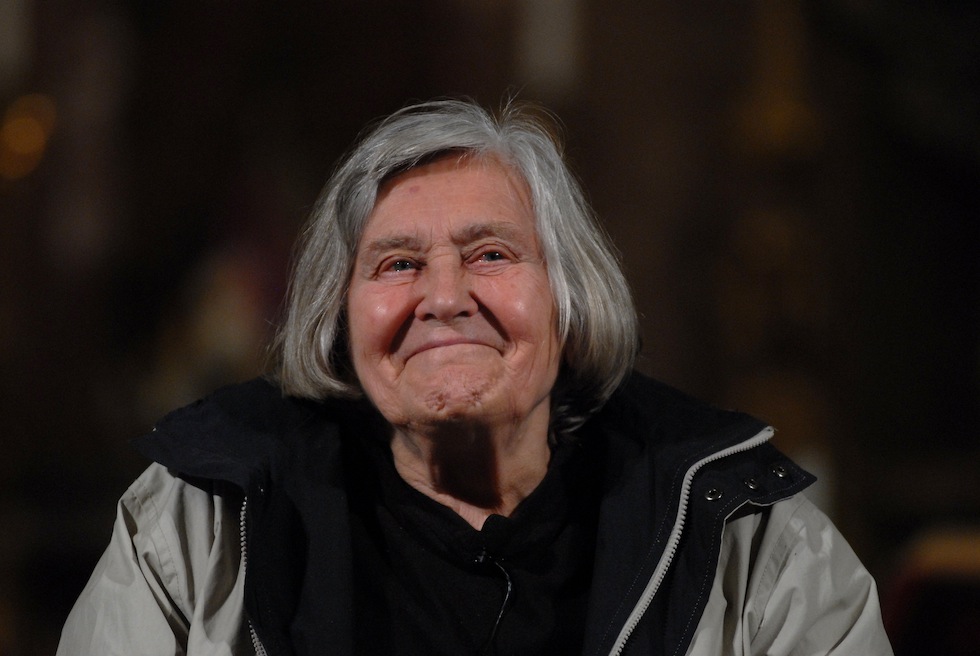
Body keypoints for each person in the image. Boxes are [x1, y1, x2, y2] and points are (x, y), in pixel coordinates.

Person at [58, 99, 893, 655]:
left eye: (490, 254)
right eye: (397, 263)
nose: (445, 297)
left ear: (570, 303)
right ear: (340, 322)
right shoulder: (202, 517)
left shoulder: (751, 537)